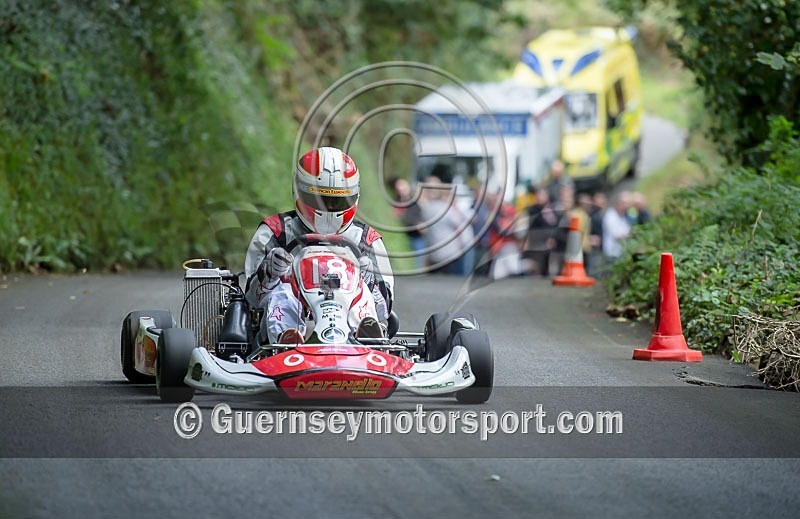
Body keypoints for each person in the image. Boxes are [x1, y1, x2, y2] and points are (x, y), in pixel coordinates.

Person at [244, 147, 394, 344]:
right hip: (295, 325)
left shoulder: (366, 239)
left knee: (362, 292)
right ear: (300, 191)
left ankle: (366, 338)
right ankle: (287, 339)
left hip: (349, 327)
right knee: (284, 291)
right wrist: (269, 274)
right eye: (319, 199)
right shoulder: (276, 231)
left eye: (337, 201)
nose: (328, 208)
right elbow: (252, 301)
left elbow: (385, 311)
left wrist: (370, 281)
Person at [420, 175, 475, 275]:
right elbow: (461, 222)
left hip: (435, 253)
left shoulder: (427, 208)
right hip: (450, 253)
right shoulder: (445, 209)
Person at [388, 177, 426, 269]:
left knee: (418, 262)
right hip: (405, 235)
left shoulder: (414, 200)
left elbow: (419, 214)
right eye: (399, 187)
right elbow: (399, 217)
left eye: (403, 186)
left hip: (417, 236)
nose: (402, 189)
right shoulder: (396, 202)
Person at [524, 187, 559, 276]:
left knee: (545, 270)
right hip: (535, 244)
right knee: (535, 269)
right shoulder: (532, 210)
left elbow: (555, 226)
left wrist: (552, 238)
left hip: (548, 246)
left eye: (542, 195)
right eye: (538, 194)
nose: (540, 197)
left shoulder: (552, 210)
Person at [602, 191, 632, 263]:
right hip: (612, 254)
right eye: (624, 203)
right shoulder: (610, 216)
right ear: (618, 202)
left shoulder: (623, 215)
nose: (626, 206)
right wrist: (631, 235)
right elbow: (617, 235)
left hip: (620, 253)